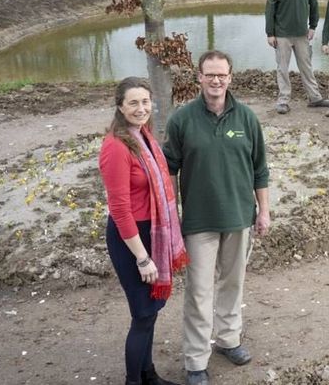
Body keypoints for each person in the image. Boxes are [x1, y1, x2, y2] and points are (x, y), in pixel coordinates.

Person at [164, 51, 270, 385]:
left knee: (233, 282)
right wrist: (171, 216)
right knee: (198, 292)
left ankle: (229, 340)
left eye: (221, 75)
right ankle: (196, 361)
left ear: (230, 77)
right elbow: (169, 170)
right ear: (199, 77)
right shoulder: (182, 120)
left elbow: (260, 169)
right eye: (209, 75)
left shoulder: (247, 119)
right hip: (198, 222)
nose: (216, 81)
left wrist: (263, 211)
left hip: (239, 217)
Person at [99, 77, 187, 385]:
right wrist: (142, 258)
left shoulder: (143, 136)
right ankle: (133, 381)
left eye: (145, 102)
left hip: (153, 231)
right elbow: (120, 210)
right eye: (133, 103)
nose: (141, 108)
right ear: (120, 107)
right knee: (143, 314)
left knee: (151, 310)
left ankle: (149, 376)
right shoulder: (116, 147)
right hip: (132, 239)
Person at [264, 0, 329, 114]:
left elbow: (314, 6)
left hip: (302, 35)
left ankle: (315, 98)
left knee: (306, 66)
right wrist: (270, 33)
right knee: (282, 68)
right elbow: (269, 11)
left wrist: (313, 26)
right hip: (282, 35)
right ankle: (283, 100)